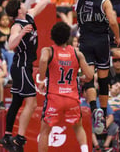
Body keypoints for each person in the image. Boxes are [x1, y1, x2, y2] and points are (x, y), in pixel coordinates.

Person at [56, 0, 120, 135]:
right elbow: (113, 22)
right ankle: (103, 108)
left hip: (85, 42)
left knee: (87, 79)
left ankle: (95, 110)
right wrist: (116, 36)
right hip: (102, 42)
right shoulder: (105, 1)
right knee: (103, 81)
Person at [0, 0, 56, 151]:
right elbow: (9, 44)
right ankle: (20, 138)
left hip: (24, 66)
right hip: (21, 66)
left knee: (16, 101)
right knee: (32, 103)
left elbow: (44, 2)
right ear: (18, 10)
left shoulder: (29, 14)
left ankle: (7, 136)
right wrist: (22, 33)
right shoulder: (16, 25)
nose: (25, 4)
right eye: (21, 4)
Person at [37, 22, 93, 152]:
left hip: (54, 98)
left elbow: (44, 60)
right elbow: (90, 76)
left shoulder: (48, 51)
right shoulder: (77, 53)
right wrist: (79, 78)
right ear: (68, 37)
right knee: (78, 127)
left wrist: (42, 77)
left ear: (52, 36)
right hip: (72, 98)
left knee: (45, 131)